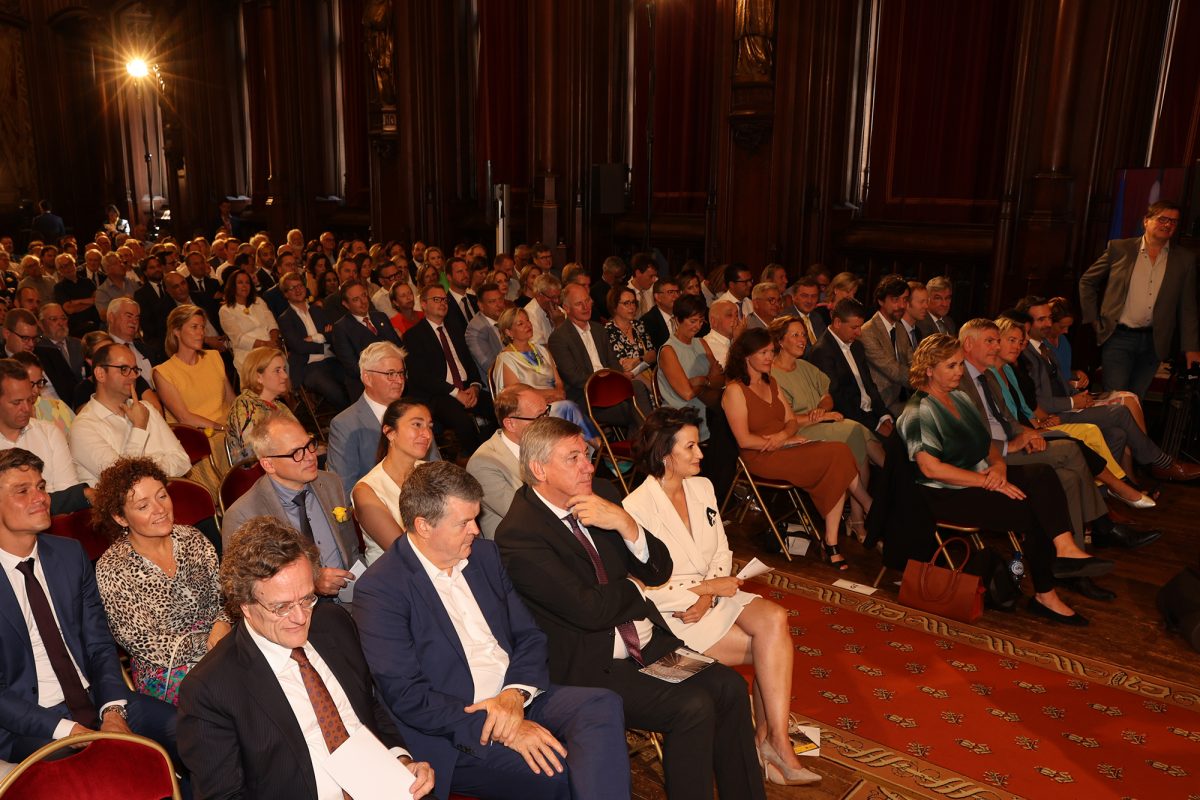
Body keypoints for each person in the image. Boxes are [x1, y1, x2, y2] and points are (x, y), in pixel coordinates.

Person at [496, 417, 767, 800]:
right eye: (573, 458)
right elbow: (591, 611)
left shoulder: (601, 493)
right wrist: (634, 587)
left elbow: (659, 569)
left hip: (648, 645)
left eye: (586, 455)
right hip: (592, 665)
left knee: (730, 687)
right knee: (693, 706)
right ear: (540, 469)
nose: (588, 465)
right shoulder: (520, 534)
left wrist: (627, 525)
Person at [354, 461, 629, 800]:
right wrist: (505, 730)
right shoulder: (382, 589)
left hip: (514, 696)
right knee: (559, 773)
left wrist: (513, 696)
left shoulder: (484, 556)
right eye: (464, 522)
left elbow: (529, 636)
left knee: (601, 704)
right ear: (424, 526)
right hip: (456, 726)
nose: (476, 529)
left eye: (476, 517)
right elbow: (408, 696)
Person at [622, 408, 820, 786]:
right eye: (691, 447)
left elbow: (721, 551)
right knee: (771, 650)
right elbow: (647, 588)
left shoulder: (703, 487)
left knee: (776, 620)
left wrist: (712, 590)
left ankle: (771, 740)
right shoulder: (636, 508)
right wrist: (706, 591)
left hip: (711, 595)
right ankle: (771, 743)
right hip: (676, 614)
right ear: (666, 454)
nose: (700, 454)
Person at [177, 516, 434, 799]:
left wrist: (401, 761)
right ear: (245, 605)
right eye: (282, 607)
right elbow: (223, 796)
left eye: (307, 599)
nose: (300, 618)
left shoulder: (333, 624)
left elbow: (367, 707)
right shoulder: (211, 688)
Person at [897, 335, 1104, 626]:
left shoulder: (959, 398)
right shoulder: (918, 412)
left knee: (1043, 473)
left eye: (959, 364)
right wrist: (987, 482)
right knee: (1034, 511)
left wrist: (998, 468)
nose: (959, 371)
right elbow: (931, 469)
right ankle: (1047, 593)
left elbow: (986, 443)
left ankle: (1064, 549)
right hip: (945, 496)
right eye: (951, 366)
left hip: (979, 479)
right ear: (929, 370)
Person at [0, 448, 179, 763]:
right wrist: (67, 730)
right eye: (22, 491)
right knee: (101, 774)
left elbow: (99, 646)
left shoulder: (69, 555)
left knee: (195, 731)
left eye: (41, 487)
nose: (40, 497)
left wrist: (112, 709)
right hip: (29, 727)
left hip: (96, 698)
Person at [722, 328, 869, 569]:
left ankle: (832, 540)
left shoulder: (773, 382)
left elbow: (791, 421)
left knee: (839, 453)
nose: (770, 357)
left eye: (771, 351)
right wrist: (781, 441)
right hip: (759, 456)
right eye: (763, 353)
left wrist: (783, 436)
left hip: (784, 446)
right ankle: (866, 507)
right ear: (746, 356)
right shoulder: (735, 391)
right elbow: (744, 441)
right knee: (836, 454)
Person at [93, 457, 230, 704]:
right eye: (143, 506)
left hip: (222, 644)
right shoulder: (112, 568)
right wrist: (210, 643)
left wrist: (222, 622)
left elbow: (223, 596)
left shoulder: (192, 538)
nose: (160, 509)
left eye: (162, 496)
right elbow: (144, 643)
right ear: (121, 517)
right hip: (166, 672)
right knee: (232, 692)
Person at [1019, 296, 1199, 482]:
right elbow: (1038, 401)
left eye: (1049, 318)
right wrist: (1073, 401)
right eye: (1041, 320)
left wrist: (1078, 396)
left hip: (1066, 406)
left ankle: (1106, 492)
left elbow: (1061, 384)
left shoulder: (1044, 347)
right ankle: (1161, 463)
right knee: (1119, 412)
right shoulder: (1026, 354)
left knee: (1118, 433)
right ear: (1026, 322)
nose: (1048, 323)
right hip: (1050, 416)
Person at [222, 412, 359, 599]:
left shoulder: (330, 483)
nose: (310, 456)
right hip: (292, 614)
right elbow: (245, 589)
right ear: (268, 464)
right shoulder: (243, 515)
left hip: (351, 599)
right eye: (296, 453)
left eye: (309, 445)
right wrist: (311, 580)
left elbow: (351, 549)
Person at [1078, 201, 1197, 399]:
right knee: (1115, 400)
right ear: (1146, 221)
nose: (1168, 225)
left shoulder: (1184, 259)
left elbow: (1188, 308)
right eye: (1163, 219)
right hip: (1118, 336)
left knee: (1136, 399)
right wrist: (1093, 320)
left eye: (1174, 222)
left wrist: (1191, 348)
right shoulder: (1120, 248)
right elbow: (1087, 282)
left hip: (1155, 341)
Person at [769, 316, 882, 493]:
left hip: (821, 422)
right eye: (795, 335)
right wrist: (821, 416)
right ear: (780, 341)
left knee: (860, 433)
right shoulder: (771, 375)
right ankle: (871, 504)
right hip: (799, 430)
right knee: (854, 431)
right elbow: (784, 419)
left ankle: (888, 485)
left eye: (804, 335)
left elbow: (826, 395)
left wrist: (822, 409)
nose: (802, 340)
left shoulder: (805, 366)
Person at [69, 342, 190, 486]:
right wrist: (139, 427)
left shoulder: (146, 408)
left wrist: (143, 469)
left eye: (135, 369)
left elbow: (183, 460)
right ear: (100, 374)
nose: (133, 376)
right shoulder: (83, 427)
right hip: (120, 507)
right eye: (124, 369)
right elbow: (122, 480)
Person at [403, 285, 495, 458]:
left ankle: (494, 451)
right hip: (439, 394)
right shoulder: (413, 336)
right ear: (423, 304)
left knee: (498, 407)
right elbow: (421, 377)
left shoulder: (455, 328)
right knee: (462, 421)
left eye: (444, 299)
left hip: (466, 388)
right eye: (436, 299)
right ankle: (478, 460)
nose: (442, 303)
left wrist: (475, 387)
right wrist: (455, 392)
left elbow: (469, 361)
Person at [153, 304, 236, 493]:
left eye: (202, 327)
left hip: (226, 430)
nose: (201, 333)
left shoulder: (214, 357)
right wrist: (223, 428)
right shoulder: (163, 372)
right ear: (176, 331)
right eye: (194, 327)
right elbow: (184, 417)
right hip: (198, 436)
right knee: (223, 445)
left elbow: (231, 399)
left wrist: (240, 424)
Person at [0, 357, 91, 514]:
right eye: (17, 402)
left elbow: (68, 497)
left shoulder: (49, 433)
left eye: (29, 400)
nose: (26, 408)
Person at [493, 306, 598, 439]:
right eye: (520, 323)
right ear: (509, 332)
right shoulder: (506, 358)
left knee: (567, 405)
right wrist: (550, 395)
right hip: (530, 413)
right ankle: (599, 449)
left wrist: (559, 392)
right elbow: (515, 396)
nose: (527, 325)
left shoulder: (542, 350)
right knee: (567, 407)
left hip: (554, 402)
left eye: (527, 321)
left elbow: (558, 382)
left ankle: (593, 451)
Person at [352, 399, 432, 565]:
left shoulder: (432, 471)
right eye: (417, 425)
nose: (427, 434)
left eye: (429, 426)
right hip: (397, 578)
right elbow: (405, 552)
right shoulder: (366, 490)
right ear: (390, 432)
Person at [808, 298, 895, 437]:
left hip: (871, 413)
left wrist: (883, 414)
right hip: (850, 418)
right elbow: (837, 398)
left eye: (860, 326)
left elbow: (869, 385)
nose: (859, 333)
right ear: (837, 323)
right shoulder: (822, 352)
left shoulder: (857, 346)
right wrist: (875, 425)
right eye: (854, 327)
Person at [275, 270, 350, 412]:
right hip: (308, 366)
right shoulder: (285, 319)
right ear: (286, 294)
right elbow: (298, 346)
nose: (298, 290)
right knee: (334, 391)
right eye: (293, 288)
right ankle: (351, 418)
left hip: (331, 360)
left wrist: (315, 338)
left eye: (300, 286)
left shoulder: (318, 310)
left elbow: (332, 335)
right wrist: (323, 341)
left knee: (353, 379)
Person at [656, 294, 725, 439]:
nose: (698, 326)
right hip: (680, 418)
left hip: (707, 412)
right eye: (693, 321)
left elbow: (720, 380)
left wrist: (701, 381)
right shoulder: (668, 350)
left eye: (701, 321)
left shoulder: (701, 343)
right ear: (677, 320)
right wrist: (708, 380)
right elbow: (686, 394)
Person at [332, 278, 404, 398]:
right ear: (345, 304)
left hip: (396, 377)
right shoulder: (341, 328)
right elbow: (353, 367)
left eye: (364, 295)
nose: (363, 302)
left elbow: (398, 347)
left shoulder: (380, 317)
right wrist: (384, 376)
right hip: (366, 386)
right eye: (356, 299)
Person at [226, 346, 298, 464]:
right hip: (258, 474)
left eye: (284, 369)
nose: (285, 376)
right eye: (277, 370)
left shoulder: (279, 406)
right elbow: (253, 453)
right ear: (258, 377)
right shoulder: (245, 406)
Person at [859, 274, 913, 416]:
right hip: (882, 403)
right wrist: (926, 382)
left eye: (905, 300)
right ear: (881, 301)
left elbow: (912, 360)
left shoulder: (899, 327)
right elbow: (893, 370)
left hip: (904, 397)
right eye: (895, 300)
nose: (902, 306)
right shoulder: (867, 332)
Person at [219, 269, 280, 372]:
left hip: (271, 348)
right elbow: (239, 340)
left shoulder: (259, 301)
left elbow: (272, 324)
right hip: (248, 355)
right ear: (233, 286)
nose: (244, 286)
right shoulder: (225, 310)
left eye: (247, 282)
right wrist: (265, 344)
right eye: (240, 282)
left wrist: (273, 341)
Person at [13, 352, 75, 436]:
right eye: (29, 384)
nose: (36, 390)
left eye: (39, 382)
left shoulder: (58, 407)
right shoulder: (7, 414)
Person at [603, 285, 657, 381]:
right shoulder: (607, 332)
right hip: (625, 384)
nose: (632, 307)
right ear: (614, 306)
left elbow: (653, 355)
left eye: (633, 302)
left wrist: (637, 360)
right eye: (626, 303)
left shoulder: (638, 325)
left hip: (648, 377)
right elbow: (623, 368)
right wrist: (650, 387)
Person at [465, 282, 506, 379]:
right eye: (492, 302)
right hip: (497, 384)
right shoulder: (475, 329)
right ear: (481, 306)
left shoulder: (507, 318)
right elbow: (490, 366)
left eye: (500, 299)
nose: (499, 305)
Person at [639, 278, 680, 350]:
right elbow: (655, 352)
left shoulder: (683, 314)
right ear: (657, 297)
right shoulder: (648, 321)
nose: (676, 296)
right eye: (670, 292)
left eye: (677, 292)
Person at [702, 299, 741, 370]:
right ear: (714, 321)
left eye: (736, 315)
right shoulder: (710, 344)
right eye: (729, 315)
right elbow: (733, 373)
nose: (735, 319)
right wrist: (738, 340)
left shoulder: (732, 339)